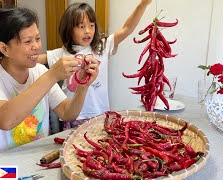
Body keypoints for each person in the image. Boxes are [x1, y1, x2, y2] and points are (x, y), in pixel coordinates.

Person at [0, 6, 99, 160]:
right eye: (28, 41)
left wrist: (83, 86)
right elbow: (5, 120)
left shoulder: (39, 71)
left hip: (33, 159)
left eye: (38, 39)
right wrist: (52, 75)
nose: (37, 47)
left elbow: (68, 113)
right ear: (4, 48)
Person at [38, 0, 152, 129]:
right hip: (73, 117)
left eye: (91, 25)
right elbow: (34, 60)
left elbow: (127, 29)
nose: (88, 31)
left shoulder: (102, 47)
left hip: (100, 114)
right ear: (69, 30)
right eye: (81, 27)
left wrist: (142, 5)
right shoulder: (61, 53)